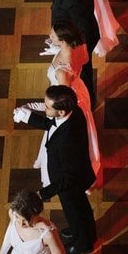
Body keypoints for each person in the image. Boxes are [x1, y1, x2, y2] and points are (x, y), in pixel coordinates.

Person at [13, 85, 97, 254]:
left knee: (75, 211)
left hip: (70, 184)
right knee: (79, 210)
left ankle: (83, 244)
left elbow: (69, 178)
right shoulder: (71, 113)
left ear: (61, 111)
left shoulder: (68, 141)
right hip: (73, 176)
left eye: (47, 106)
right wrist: (27, 117)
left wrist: (42, 194)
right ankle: (80, 232)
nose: (44, 108)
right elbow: (51, 125)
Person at [39, 0, 100, 102]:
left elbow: (85, 28)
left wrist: (74, 50)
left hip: (80, 40)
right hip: (71, 33)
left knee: (81, 72)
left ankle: (87, 100)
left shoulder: (74, 2)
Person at [43, 19, 101, 177]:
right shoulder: (79, 45)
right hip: (80, 88)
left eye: (53, 36)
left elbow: (63, 99)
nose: (50, 36)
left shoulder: (62, 72)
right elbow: (85, 60)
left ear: (62, 40)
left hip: (72, 98)